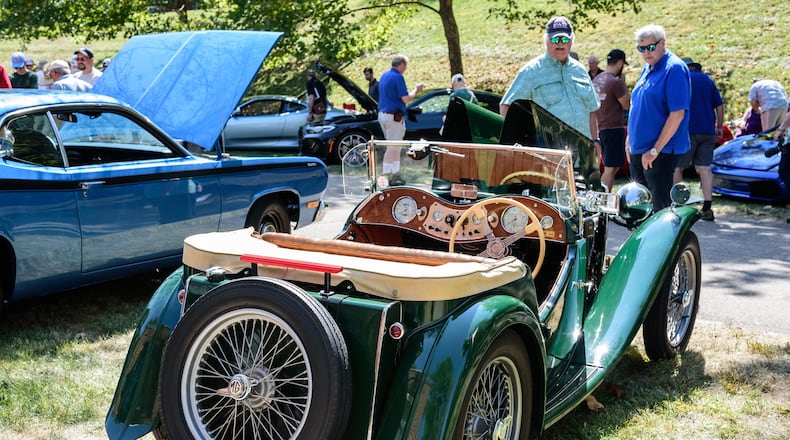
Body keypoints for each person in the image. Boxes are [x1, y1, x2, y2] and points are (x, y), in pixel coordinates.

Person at [500, 16, 600, 138]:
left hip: (583, 147)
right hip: (548, 147)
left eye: (564, 39)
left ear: (571, 41)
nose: (560, 43)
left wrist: (596, 141)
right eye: (555, 39)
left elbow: (592, 109)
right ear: (546, 41)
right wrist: (516, 141)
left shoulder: (580, 70)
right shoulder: (532, 70)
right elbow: (507, 105)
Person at [627, 24, 691, 212]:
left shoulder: (674, 69)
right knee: (638, 208)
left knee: (658, 210)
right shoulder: (648, 67)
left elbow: (677, 114)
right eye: (641, 48)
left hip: (660, 152)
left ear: (662, 43)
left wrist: (655, 150)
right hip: (640, 149)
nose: (646, 53)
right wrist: (630, 138)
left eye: (650, 47)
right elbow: (638, 105)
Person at [672, 57, 724, 221]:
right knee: (704, 168)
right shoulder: (707, 80)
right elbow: (719, 105)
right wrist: (719, 126)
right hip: (707, 130)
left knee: (678, 167)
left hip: (686, 130)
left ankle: (678, 204)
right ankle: (707, 207)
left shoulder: (681, 79)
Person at [378, 54, 424, 180]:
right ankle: (387, 174)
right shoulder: (397, 77)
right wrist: (416, 90)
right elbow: (406, 98)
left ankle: (396, 172)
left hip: (383, 115)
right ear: (402, 64)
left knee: (396, 146)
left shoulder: (384, 75)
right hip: (393, 116)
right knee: (393, 146)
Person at [591, 49, 630, 192]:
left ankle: (605, 195)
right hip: (613, 128)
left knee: (611, 167)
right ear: (620, 63)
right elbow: (626, 104)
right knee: (611, 167)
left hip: (600, 127)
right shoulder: (615, 82)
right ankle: (602, 197)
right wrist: (623, 84)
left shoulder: (597, 79)